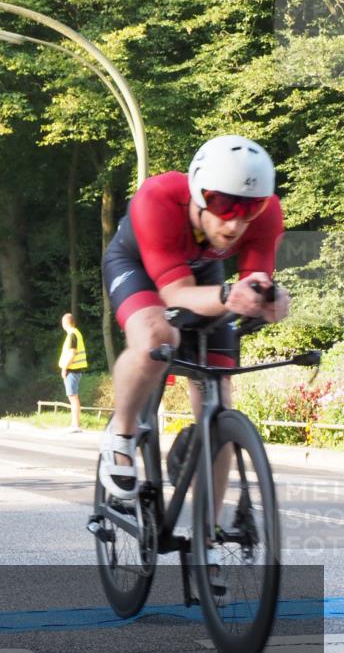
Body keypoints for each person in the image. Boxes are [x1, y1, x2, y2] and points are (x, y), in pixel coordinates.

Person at [100, 134, 290, 504]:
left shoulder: (266, 216)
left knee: (217, 397)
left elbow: (254, 282)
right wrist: (227, 296)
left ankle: (208, 542)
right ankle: (121, 435)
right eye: (223, 205)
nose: (235, 224)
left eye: (249, 210)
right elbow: (174, 295)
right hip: (137, 265)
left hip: (202, 274)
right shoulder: (158, 198)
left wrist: (270, 300)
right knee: (157, 336)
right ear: (200, 193)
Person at [58, 313, 87, 432]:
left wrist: (64, 368)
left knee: (73, 397)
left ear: (65, 323)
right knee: (73, 397)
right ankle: (74, 424)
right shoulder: (76, 333)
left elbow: (72, 353)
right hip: (75, 370)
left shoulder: (72, 334)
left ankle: (76, 425)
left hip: (72, 370)